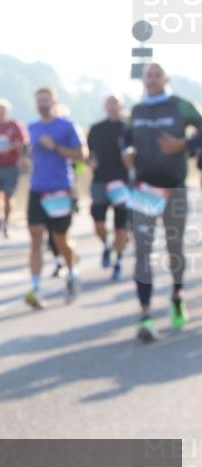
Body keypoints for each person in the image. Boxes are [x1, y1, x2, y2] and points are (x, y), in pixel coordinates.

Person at [124, 63, 202, 342]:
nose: (153, 80)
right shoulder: (138, 110)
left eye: (158, 75)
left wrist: (184, 145)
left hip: (175, 188)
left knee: (174, 248)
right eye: (148, 76)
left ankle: (177, 295)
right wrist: (127, 152)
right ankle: (145, 315)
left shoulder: (181, 106)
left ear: (166, 78)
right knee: (142, 250)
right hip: (145, 188)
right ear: (143, 80)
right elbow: (127, 138)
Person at [24, 87, 88, 309]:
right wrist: (25, 160)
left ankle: (72, 271)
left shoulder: (67, 126)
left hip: (60, 189)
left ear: (54, 101)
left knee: (61, 239)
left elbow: (82, 155)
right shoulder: (32, 127)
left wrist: (57, 147)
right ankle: (35, 287)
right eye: (39, 100)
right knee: (36, 237)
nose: (42, 103)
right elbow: (29, 153)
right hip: (37, 188)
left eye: (46, 99)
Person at [86, 95, 130, 280]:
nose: (112, 106)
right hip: (100, 182)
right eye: (109, 102)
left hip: (122, 183)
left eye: (116, 103)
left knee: (121, 227)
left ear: (121, 105)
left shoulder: (129, 128)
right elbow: (88, 153)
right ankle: (106, 245)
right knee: (98, 224)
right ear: (105, 106)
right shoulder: (96, 129)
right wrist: (90, 160)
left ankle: (118, 261)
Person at [0, 99, 28, 237]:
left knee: (7, 196)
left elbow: (22, 142)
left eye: (2, 110)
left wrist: (11, 149)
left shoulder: (14, 125)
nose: (0, 113)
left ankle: (7, 222)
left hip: (11, 165)